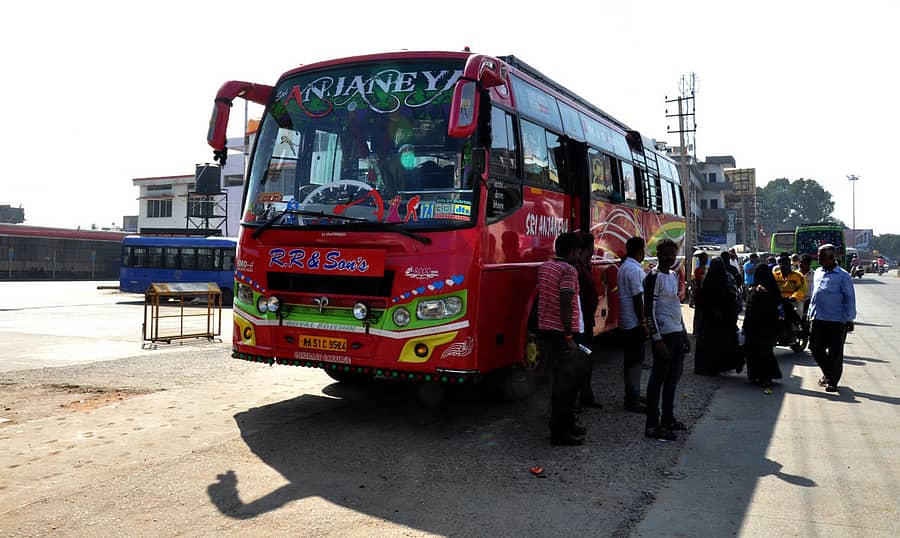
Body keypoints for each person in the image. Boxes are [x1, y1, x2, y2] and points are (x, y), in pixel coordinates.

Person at [537, 232, 585, 445]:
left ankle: (565, 427)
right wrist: (568, 335)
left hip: (546, 330)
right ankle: (560, 434)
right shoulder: (568, 270)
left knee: (557, 383)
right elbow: (566, 300)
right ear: (574, 251)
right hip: (561, 333)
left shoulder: (545, 267)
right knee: (565, 386)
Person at [643, 239, 690, 440]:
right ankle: (652, 426)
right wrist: (657, 340)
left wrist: (684, 332)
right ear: (658, 254)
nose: (669, 258)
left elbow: (676, 308)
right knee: (657, 381)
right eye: (665, 254)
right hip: (663, 337)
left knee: (672, 380)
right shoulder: (653, 277)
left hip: (676, 334)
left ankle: (668, 419)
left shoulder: (672, 275)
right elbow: (648, 312)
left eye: (672, 254)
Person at [808, 243, 857, 393]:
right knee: (815, 349)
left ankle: (832, 381)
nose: (818, 258)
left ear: (831, 257)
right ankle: (829, 373)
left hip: (836, 320)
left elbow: (850, 298)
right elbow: (814, 295)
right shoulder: (818, 272)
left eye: (821, 256)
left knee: (835, 352)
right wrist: (809, 314)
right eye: (818, 255)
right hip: (818, 318)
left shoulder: (843, 276)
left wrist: (850, 319)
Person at [693, 258, 743, 375]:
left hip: (712, 317)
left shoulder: (708, 278)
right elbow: (732, 296)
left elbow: (703, 297)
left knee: (710, 342)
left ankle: (709, 367)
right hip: (721, 317)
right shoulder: (727, 277)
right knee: (724, 341)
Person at [617, 236, 649, 413]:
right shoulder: (634, 270)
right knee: (635, 361)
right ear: (640, 250)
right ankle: (632, 398)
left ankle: (633, 394)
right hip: (635, 323)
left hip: (627, 321)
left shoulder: (625, 267)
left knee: (631, 360)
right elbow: (638, 298)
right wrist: (643, 322)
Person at [574, 231, 602, 410]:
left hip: (587, 321)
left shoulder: (585, 265)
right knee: (580, 360)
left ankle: (585, 395)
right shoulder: (577, 269)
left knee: (587, 359)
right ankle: (578, 399)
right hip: (580, 323)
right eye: (592, 247)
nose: (593, 251)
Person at [742, 264, 783, 387]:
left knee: (761, 351)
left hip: (760, 326)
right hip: (763, 327)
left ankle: (765, 377)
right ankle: (757, 376)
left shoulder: (764, 290)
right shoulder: (757, 289)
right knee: (760, 351)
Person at [773, 252, 806, 331]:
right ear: (779, 265)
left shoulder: (798, 275)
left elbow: (802, 288)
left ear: (790, 264)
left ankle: (797, 329)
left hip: (793, 301)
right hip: (778, 301)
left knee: (798, 310)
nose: (784, 266)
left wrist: (794, 297)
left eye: (786, 264)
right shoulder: (775, 275)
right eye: (782, 264)